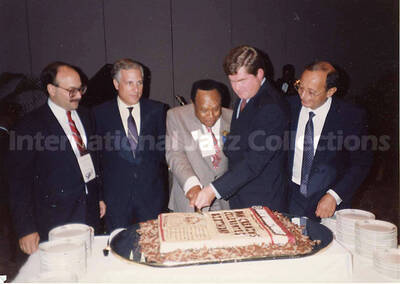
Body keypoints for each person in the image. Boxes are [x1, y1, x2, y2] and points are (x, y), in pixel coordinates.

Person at [7, 62, 105, 255]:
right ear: (51, 89)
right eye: (72, 91)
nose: (79, 95)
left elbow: (92, 159)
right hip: (55, 218)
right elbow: (18, 182)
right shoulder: (28, 126)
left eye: (81, 88)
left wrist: (98, 195)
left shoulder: (86, 115)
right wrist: (26, 228)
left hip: (89, 210)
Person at [194, 45, 290, 212]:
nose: (237, 88)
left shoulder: (272, 107)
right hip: (241, 193)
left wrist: (213, 190)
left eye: (242, 81)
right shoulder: (246, 95)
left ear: (259, 74)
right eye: (232, 81)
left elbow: (254, 162)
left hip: (262, 198)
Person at [287, 61, 373, 220]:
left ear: (330, 91)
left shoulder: (350, 116)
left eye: (312, 92)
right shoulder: (288, 106)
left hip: (327, 201)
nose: (303, 95)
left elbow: (361, 163)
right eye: (300, 87)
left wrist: (334, 195)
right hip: (290, 198)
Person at [92, 58, 168, 232]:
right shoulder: (99, 114)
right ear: (116, 84)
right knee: (119, 248)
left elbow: (163, 153)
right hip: (116, 200)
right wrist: (100, 196)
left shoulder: (157, 111)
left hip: (151, 198)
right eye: (130, 83)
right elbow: (97, 158)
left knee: (152, 248)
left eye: (140, 83)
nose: (137, 89)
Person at [167, 79, 231, 212]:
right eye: (204, 110)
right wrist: (192, 185)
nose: (211, 116)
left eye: (216, 109)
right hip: (192, 200)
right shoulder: (177, 117)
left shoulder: (231, 117)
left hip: (226, 200)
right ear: (193, 103)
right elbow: (175, 155)